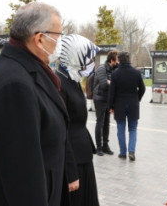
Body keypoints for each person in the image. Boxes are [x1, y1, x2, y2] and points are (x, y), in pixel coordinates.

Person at [0, 2, 71, 206]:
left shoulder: (24, 69)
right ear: (39, 39)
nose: (59, 43)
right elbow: (22, 174)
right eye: (58, 36)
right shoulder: (15, 84)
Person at [56, 34, 100, 206]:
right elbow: (61, 131)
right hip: (73, 161)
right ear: (76, 57)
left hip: (82, 156)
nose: (92, 64)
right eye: (89, 59)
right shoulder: (60, 83)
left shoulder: (72, 79)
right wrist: (70, 172)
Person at [108, 51, 145, 161]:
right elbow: (142, 89)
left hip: (119, 105)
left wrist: (110, 106)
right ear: (129, 60)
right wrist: (136, 99)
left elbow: (112, 92)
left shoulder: (115, 74)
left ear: (119, 60)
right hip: (133, 104)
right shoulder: (136, 73)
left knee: (120, 129)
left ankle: (123, 153)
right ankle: (132, 151)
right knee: (133, 128)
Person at [92, 49, 119, 156]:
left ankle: (105, 146)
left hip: (108, 100)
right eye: (117, 60)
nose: (119, 62)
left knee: (107, 123)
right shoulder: (101, 69)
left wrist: (111, 82)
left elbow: (114, 84)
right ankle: (98, 147)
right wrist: (112, 83)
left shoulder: (114, 69)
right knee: (100, 123)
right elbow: (104, 84)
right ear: (112, 60)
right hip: (99, 99)